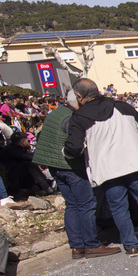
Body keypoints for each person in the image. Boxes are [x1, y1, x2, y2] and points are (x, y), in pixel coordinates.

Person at [64, 79, 138, 257]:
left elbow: (73, 148)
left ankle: (131, 246)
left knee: (119, 208)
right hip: (134, 162)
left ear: (79, 96)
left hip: (107, 168)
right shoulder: (121, 106)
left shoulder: (80, 117)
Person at [33, 94, 118, 258]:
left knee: (72, 205)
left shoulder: (56, 113)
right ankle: (92, 244)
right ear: (79, 101)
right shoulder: (71, 117)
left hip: (54, 165)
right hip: (69, 165)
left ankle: (77, 246)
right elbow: (75, 142)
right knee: (86, 203)